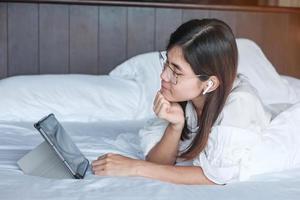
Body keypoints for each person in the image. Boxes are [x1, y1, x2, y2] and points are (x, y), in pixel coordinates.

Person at [91, 19, 272, 185]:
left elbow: (215, 177)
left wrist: (134, 167)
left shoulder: (240, 104)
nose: (163, 76)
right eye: (166, 63)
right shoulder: (183, 98)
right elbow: (159, 163)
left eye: (176, 72)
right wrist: (175, 126)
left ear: (209, 83)